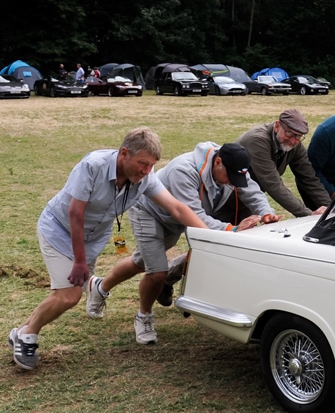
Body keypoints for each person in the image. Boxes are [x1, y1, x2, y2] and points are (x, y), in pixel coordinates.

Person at [8, 127, 208, 371]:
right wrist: (80, 262)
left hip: (91, 238)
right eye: (142, 164)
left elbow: (176, 208)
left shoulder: (145, 176)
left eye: (151, 166)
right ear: (124, 153)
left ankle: (20, 332)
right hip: (60, 230)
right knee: (69, 295)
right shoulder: (93, 165)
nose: (146, 171)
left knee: (66, 294)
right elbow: (75, 212)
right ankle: (28, 334)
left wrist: (208, 237)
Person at [89, 142, 280, 345]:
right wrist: (232, 230)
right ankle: (143, 317)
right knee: (157, 271)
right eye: (230, 178)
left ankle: (99, 287)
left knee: (140, 262)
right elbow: (192, 215)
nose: (232, 184)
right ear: (218, 163)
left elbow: (251, 190)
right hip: (151, 213)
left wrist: (266, 213)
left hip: (177, 220)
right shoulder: (184, 171)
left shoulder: (233, 164)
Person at [235, 108, 331, 217]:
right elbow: (273, 184)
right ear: (277, 126)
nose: (293, 141)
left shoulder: (295, 146)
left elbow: (309, 178)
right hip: (224, 197)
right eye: (289, 133)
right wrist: (308, 215)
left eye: (298, 136)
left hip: (250, 198)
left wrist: (330, 209)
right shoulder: (257, 141)